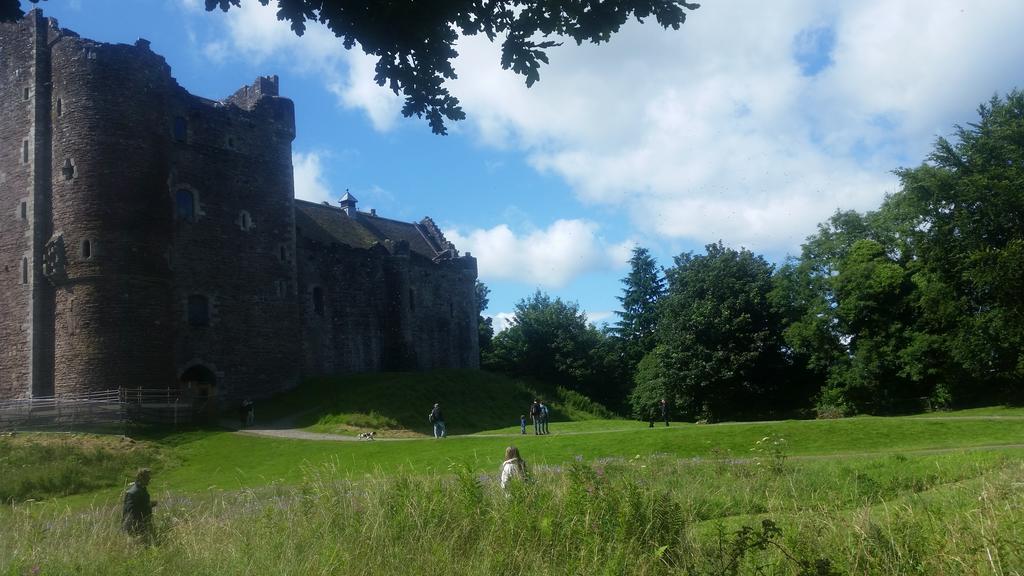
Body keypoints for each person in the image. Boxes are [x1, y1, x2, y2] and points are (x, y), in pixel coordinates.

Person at [122, 468, 157, 536]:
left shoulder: (142, 489)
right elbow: (131, 511)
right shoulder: (133, 492)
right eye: (147, 477)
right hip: (136, 527)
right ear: (141, 477)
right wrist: (149, 505)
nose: (149, 479)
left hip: (143, 525)